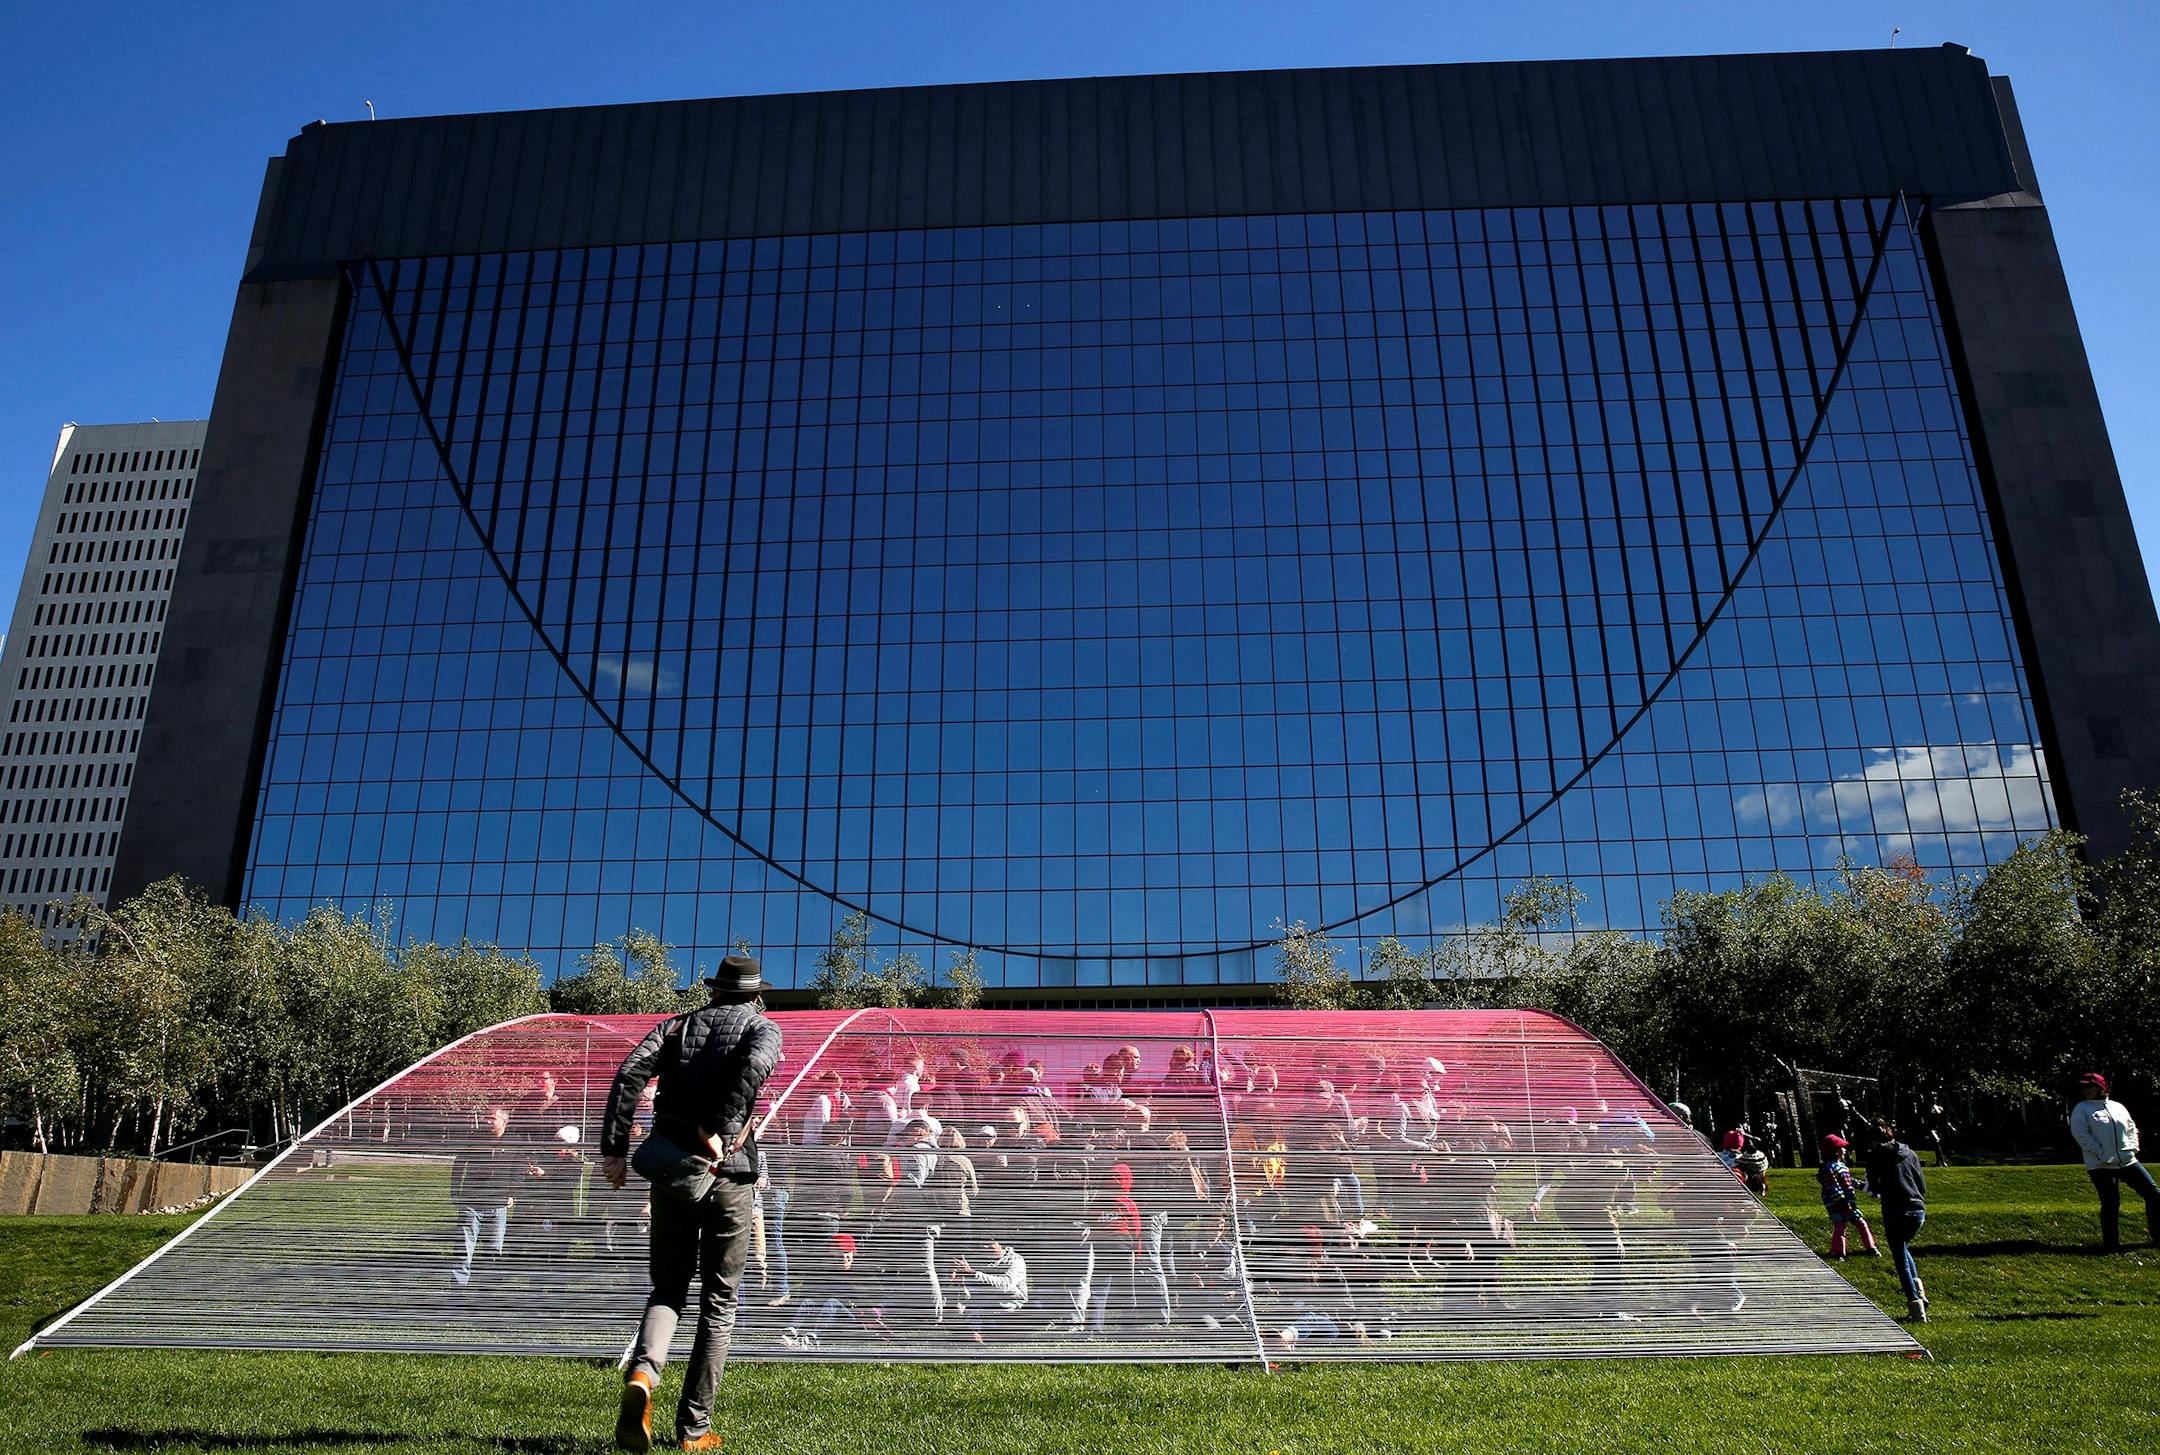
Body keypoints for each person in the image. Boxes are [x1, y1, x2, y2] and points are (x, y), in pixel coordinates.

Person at [599, 954, 782, 1454]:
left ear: (716, 990)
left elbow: (628, 1075)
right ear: (755, 993)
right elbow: (754, 1067)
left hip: (671, 1172)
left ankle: (643, 1373)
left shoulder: (675, 1027)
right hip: (729, 1175)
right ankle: (694, 1431)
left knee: (668, 1286)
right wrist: (720, 1129)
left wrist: (614, 1150)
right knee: (719, 1303)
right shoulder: (763, 1028)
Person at [2068, 1073, 2158, 1251]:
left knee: (2154, 1194)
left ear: (2101, 1088)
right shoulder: (2082, 1108)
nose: (2085, 1090)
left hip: (2127, 1161)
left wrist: (2132, 1148)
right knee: (2111, 1203)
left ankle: (2157, 1237)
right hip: (2100, 1165)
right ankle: (2111, 1244)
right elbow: (2081, 1135)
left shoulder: (2118, 1107)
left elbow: (2131, 1128)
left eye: (2089, 1086)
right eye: (2083, 1087)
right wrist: (2099, 1153)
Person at [1862, 1115, 1929, 1323]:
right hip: (1917, 1210)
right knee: (1904, 1248)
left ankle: (1916, 1307)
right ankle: (1920, 1293)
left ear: (1873, 1140)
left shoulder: (1875, 1157)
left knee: (1900, 1260)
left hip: (1894, 1211)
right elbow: (1922, 1185)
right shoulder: (1910, 1153)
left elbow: (1874, 1187)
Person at [449, 1104, 522, 1287]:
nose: (487, 1121)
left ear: (505, 1122)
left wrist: (512, 1192)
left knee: (494, 1250)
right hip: (471, 1204)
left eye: (492, 1118)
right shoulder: (474, 1139)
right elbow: (459, 1166)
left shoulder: (515, 1142)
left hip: (498, 1206)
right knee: (464, 1249)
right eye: (486, 1118)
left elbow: (518, 1170)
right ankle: (458, 1289)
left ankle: (486, 1289)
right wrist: (455, 1191)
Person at [1815, 1134, 1879, 1260]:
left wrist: (1863, 1186)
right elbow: (1832, 1187)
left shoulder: (1842, 1166)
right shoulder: (1828, 1168)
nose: (1844, 1150)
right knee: (1840, 1225)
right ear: (1834, 1151)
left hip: (1849, 1202)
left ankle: (1871, 1247)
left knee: (1861, 1223)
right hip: (1836, 1203)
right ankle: (1838, 1252)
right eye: (1841, 1148)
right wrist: (1842, 1202)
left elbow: (1849, 1181)